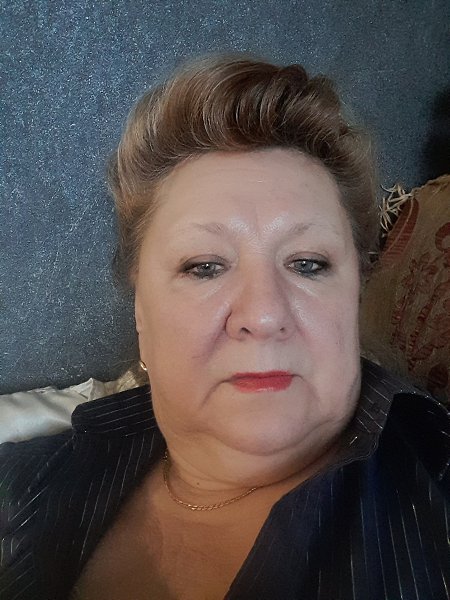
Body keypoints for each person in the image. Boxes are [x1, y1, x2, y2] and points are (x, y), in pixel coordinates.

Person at [0, 54, 448, 600]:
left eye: (308, 264)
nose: (263, 314)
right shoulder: (30, 477)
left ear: (356, 293)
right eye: (204, 267)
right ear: (140, 310)